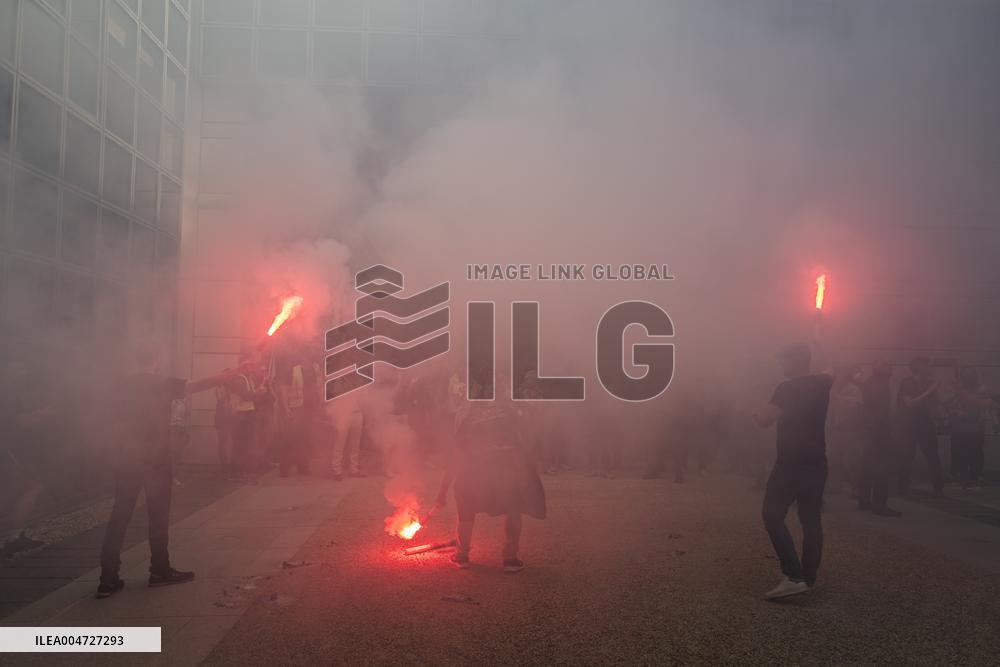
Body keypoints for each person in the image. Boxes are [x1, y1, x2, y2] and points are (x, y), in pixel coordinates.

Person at [97, 341, 235, 599]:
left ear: (135, 359)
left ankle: (107, 578)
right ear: (157, 359)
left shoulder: (121, 386)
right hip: (156, 459)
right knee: (158, 517)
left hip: (127, 457)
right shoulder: (161, 383)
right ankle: (160, 570)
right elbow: (198, 384)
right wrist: (230, 375)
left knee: (119, 516)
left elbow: (108, 421)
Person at [434, 384, 546, 572]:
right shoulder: (510, 413)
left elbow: (456, 455)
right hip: (506, 470)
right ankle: (510, 559)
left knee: (467, 507)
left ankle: (462, 556)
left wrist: (442, 492)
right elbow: (525, 444)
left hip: (476, 470)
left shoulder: (467, 416)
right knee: (513, 508)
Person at [753, 343, 831, 600]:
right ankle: (808, 578)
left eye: (785, 361)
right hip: (817, 461)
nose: (782, 367)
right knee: (811, 521)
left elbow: (765, 420)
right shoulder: (822, 384)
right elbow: (830, 374)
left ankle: (793, 575)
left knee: (772, 515)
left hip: (790, 462)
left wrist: (755, 409)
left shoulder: (786, 388)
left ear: (796, 362)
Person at [858, 361, 902, 517]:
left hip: (872, 429)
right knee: (882, 467)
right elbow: (876, 406)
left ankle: (864, 500)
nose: (891, 368)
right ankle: (879, 504)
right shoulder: (879, 383)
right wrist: (884, 423)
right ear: (878, 368)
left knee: (868, 465)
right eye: (887, 365)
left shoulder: (872, 382)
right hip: (879, 429)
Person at [897, 357, 944, 496]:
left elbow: (934, 405)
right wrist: (930, 391)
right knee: (906, 456)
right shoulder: (907, 382)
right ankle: (902, 487)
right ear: (920, 367)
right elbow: (909, 403)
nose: (930, 369)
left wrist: (940, 411)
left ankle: (938, 488)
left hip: (926, 424)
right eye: (928, 366)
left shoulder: (930, 383)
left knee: (932, 456)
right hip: (909, 424)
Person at [947, 366, 992, 490]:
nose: (968, 377)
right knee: (959, 454)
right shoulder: (958, 389)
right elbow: (949, 405)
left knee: (976, 453)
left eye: (970, 374)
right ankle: (960, 478)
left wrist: (963, 393)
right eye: (965, 375)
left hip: (975, 427)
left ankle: (976, 478)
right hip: (959, 427)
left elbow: (986, 404)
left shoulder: (981, 389)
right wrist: (956, 411)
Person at [328, 392, 364, 481]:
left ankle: (354, 469)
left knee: (355, 444)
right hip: (343, 413)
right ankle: (336, 471)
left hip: (357, 412)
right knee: (340, 442)